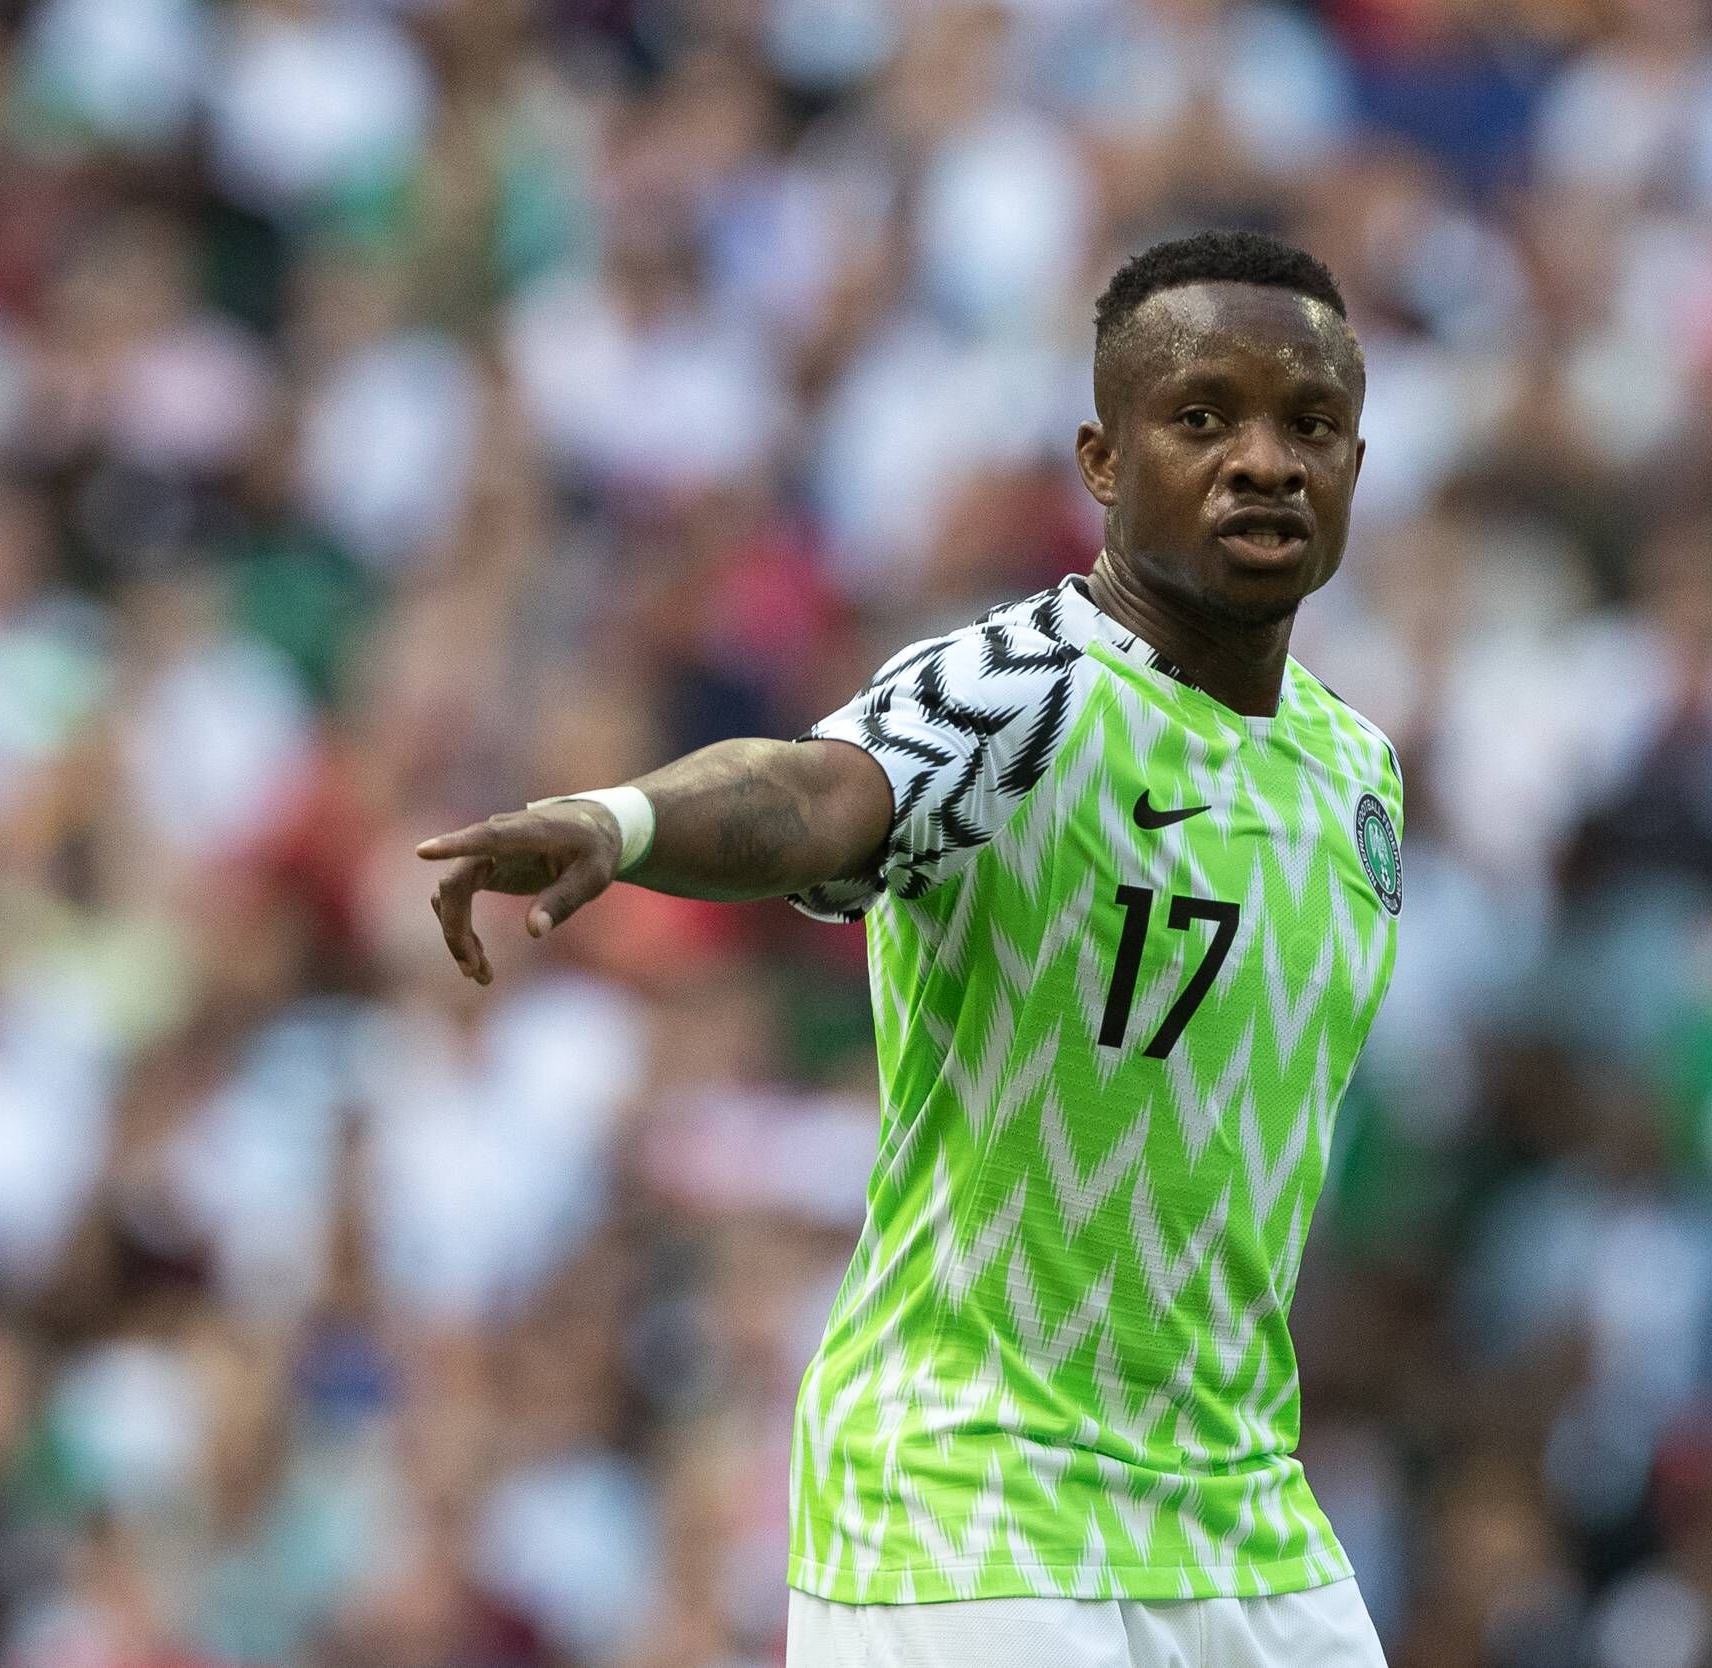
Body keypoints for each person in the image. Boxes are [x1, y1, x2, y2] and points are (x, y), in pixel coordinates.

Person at [417, 230, 1403, 1668]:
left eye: (1307, 424)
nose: (1264, 459)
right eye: (1203, 419)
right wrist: (628, 819)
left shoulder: (1358, 775)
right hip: (970, 1496)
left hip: (1236, 1507)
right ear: (1105, 463)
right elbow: (821, 790)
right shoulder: (1031, 690)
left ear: (1357, 467)